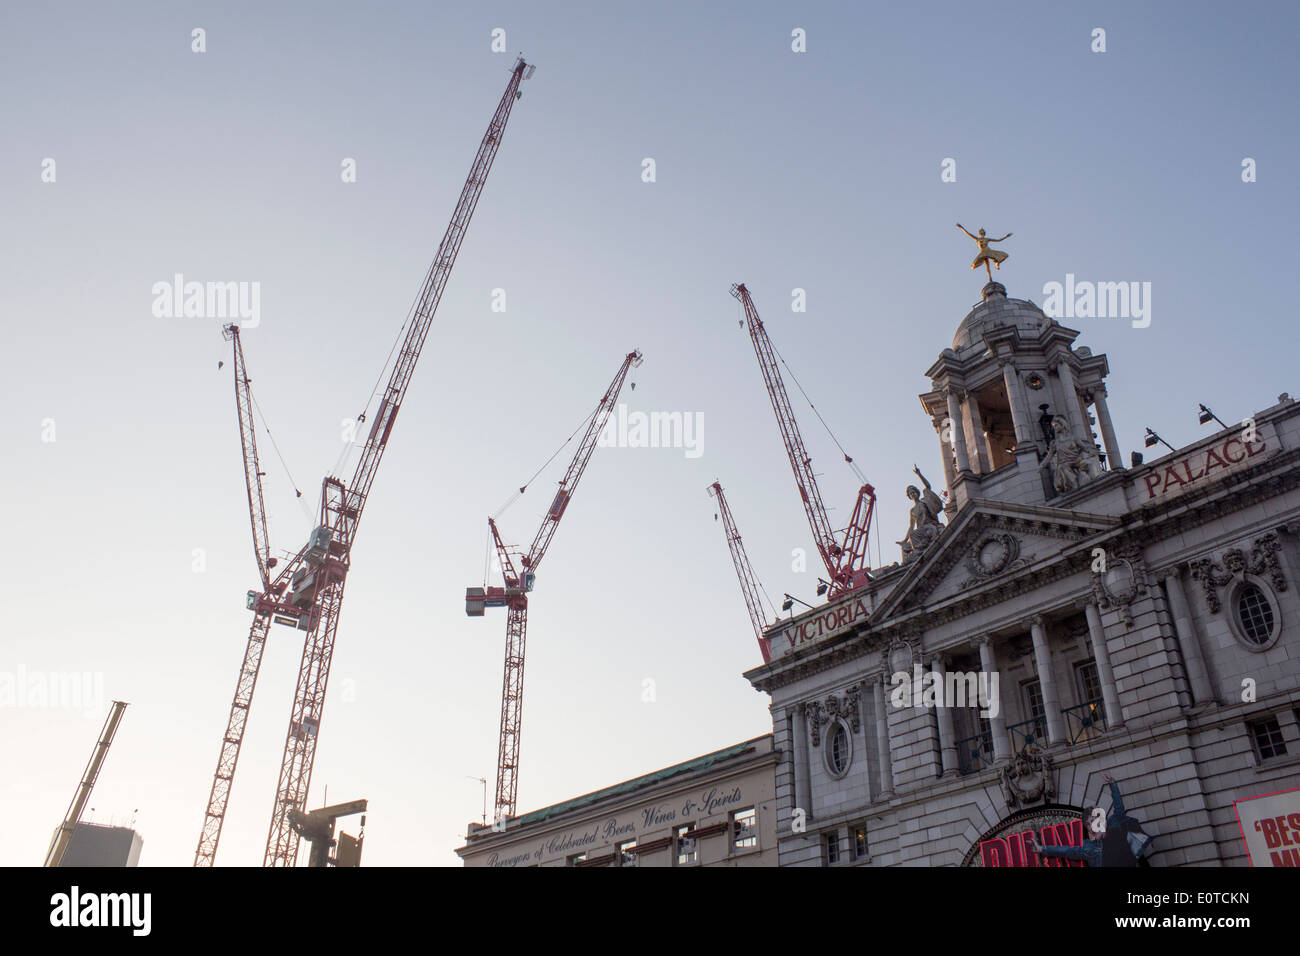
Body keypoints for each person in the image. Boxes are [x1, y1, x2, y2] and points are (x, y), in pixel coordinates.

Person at [1028, 774, 1152, 866]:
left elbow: (1119, 808)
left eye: (1095, 819)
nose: (1093, 825)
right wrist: (1042, 849)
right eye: (1090, 823)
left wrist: (1113, 784)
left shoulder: (1115, 823)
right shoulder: (1091, 848)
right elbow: (1068, 851)